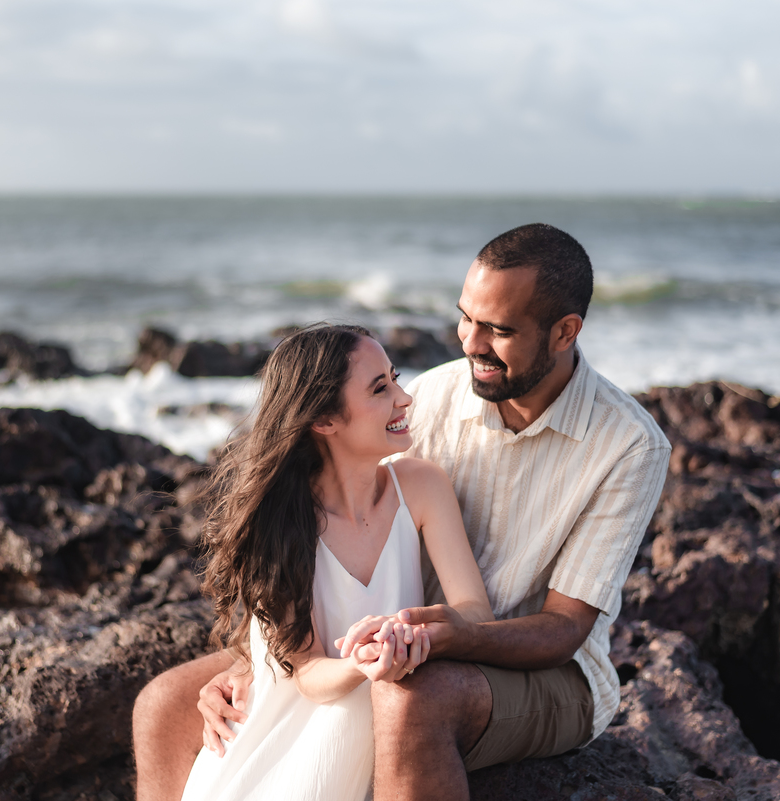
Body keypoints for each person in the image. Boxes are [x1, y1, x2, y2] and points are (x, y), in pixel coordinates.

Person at [133, 224, 671, 801]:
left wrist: (431, 639)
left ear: (565, 332)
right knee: (164, 704)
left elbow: (563, 631)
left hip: (545, 674)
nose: (471, 343)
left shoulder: (629, 445)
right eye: (466, 317)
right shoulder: (435, 396)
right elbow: (335, 517)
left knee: (407, 698)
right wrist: (257, 661)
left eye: (499, 330)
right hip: (385, 638)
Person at [174, 324, 493, 801]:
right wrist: (364, 664)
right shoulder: (280, 520)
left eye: (396, 379)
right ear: (324, 418)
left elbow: (475, 614)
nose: (404, 399)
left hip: (376, 705)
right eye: (380, 388)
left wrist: (407, 635)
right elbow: (306, 673)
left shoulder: (421, 487)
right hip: (277, 739)